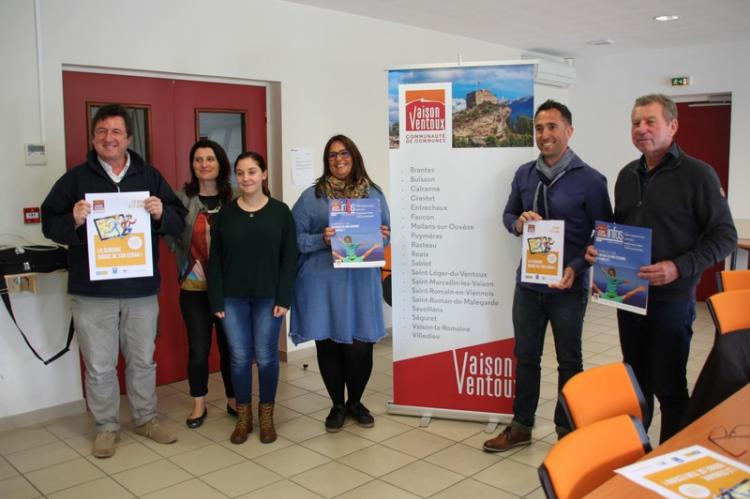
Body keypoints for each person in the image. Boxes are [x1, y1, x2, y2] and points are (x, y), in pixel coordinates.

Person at [585, 94, 737, 443]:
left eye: (650, 121)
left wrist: (678, 267)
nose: (641, 129)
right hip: (627, 294)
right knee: (635, 383)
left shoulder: (698, 174)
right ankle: (639, 453)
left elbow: (726, 236)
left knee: (670, 387)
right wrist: (599, 248)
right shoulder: (626, 175)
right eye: (636, 122)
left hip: (672, 299)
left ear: (673, 125)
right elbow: (616, 227)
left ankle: (671, 458)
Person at [41, 103, 186, 458]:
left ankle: (146, 418)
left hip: (139, 289)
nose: (109, 138)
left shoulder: (149, 176)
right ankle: (106, 426)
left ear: (128, 138)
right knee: (100, 364)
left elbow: (178, 219)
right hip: (93, 291)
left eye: (116, 132)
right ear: (94, 138)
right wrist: (73, 220)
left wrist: (161, 213)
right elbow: (49, 222)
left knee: (142, 360)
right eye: (102, 131)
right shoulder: (75, 179)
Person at [484, 100, 612, 452]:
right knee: (526, 357)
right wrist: (517, 223)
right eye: (539, 128)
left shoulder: (591, 180)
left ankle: (567, 430)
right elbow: (508, 214)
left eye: (552, 127)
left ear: (569, 131)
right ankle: (521, 426)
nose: (545, 134)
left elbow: (604, 234)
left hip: (568, 286)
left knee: (569, 361)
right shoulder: (525, 174)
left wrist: (577, 268)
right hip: (528, 284)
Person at [290, 134, 390, 432]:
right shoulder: (312, 197)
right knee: (329, 346)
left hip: (360, 283)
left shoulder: (373, 194)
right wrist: (321, 239)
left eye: (344, 153)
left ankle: (355, 402)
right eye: (332, 155)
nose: (338, 159)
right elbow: (294, 239)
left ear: (354, 156)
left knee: (361, 347)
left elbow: (389, 233)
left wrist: (383, 235)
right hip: (324, 284)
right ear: (326, 161)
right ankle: (336, 404)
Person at [207, 151, 297, 444]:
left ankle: (266, 415)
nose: (246, 178)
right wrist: (216, 300)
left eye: (252, 172)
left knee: (268, 358)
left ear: (264, 174)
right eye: (241, 173)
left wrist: (284, 297)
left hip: (269, 298)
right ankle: (244, 417)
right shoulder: (225, 215)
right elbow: (215, 261)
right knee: (240, 358)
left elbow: (289, 258)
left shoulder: (281, 212)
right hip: (232, 299)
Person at [166, 139, 237, 429]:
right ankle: (199, 404)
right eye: (198, 159)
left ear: (220, 164)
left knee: (232, 347)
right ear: (192, 165)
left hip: (230, 289)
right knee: (198, 349)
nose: (204, 164)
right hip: (194, 289)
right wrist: (180, 257)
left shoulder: (234, 198)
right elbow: (169, 232)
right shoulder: (180, 199)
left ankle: (234, 399)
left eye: (210, 159)